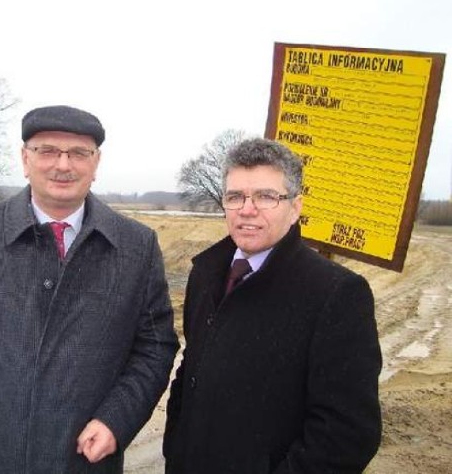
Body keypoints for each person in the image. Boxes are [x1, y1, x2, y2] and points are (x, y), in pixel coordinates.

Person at [0, 105, 179, 473]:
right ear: (25, 159)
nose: (63, 165)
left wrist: (116, 419)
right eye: (48, 151)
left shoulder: (136, 247)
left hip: (83, 463)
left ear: (96, 163)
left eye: (78, 153)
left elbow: (155, 347)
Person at [163, 138, 382, 473]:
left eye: (266, 196)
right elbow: (190, 372)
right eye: (235, 196)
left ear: (295, 207)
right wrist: (174, 448)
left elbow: (346, 435)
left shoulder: (336, 293)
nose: (247, 209)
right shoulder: (205, 274)